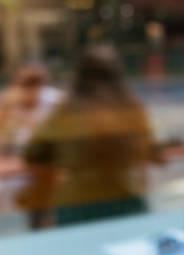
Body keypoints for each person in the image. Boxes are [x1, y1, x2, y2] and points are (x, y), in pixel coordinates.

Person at [19, 45, 157, 227]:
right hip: (126, 198)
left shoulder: (68, 110)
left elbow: (34, 152)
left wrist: (64, 156)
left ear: (80, 74)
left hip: (78, 204)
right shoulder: (131, 108)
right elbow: (151, 149)